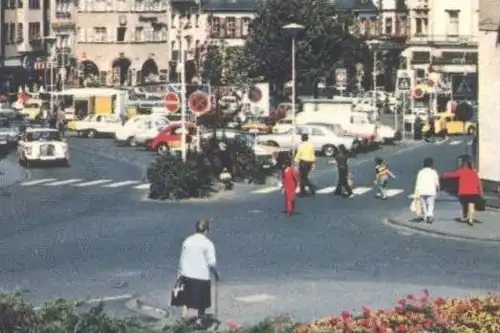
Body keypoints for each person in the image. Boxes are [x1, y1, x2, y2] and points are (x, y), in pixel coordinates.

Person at [175, 219, 219, 318]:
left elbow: (181, 260)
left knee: (186, 301)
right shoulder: (208, 243)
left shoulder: (187, 241)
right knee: (202, 303)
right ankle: (200, 319)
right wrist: (215, 274)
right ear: (206, 230)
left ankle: (183, 319)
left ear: (196, 229)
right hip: (201, 278)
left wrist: (179, 276)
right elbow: (212, 263)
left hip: (186, 276)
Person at [442, 157, 482, 226]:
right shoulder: (474, 172)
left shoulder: (462, 171)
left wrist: (445, 174)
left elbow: (453, 175)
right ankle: (471, 220)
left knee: (464, 206)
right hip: (473, 192)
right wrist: (480, 191)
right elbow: (478, 182)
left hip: (464, 192)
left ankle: (465, 217)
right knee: (471, 206)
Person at [413, 157, 440, 223]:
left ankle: (425, 216)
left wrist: (416, 190)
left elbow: (417, 182)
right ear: (431, 164)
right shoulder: (433, 172)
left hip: (422, 190)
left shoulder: (420, 172)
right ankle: (430, 215)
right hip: (431, 190)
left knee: (423, 204)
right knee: (431, 204)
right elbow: (436, 181)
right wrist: (438, 187)